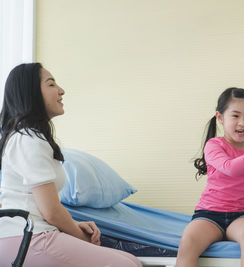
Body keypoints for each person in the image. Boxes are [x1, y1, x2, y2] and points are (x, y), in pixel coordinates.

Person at [0, 63, 142, 267]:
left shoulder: (28, 136)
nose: (61, 90)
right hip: (24, 237)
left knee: (131, 260)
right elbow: (51, 211)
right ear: (31, 93)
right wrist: (79, 236)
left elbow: (44, 209)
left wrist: (75, 225)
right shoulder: (28, 138)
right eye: (51, 84)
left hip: (30, 233)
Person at [176, 87, 244, 267]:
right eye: (235, 116)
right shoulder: (213, 146)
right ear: (220, 118)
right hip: (209, 215)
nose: (243, 123)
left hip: (241, 217)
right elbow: (230, 168)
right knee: (188, 241)